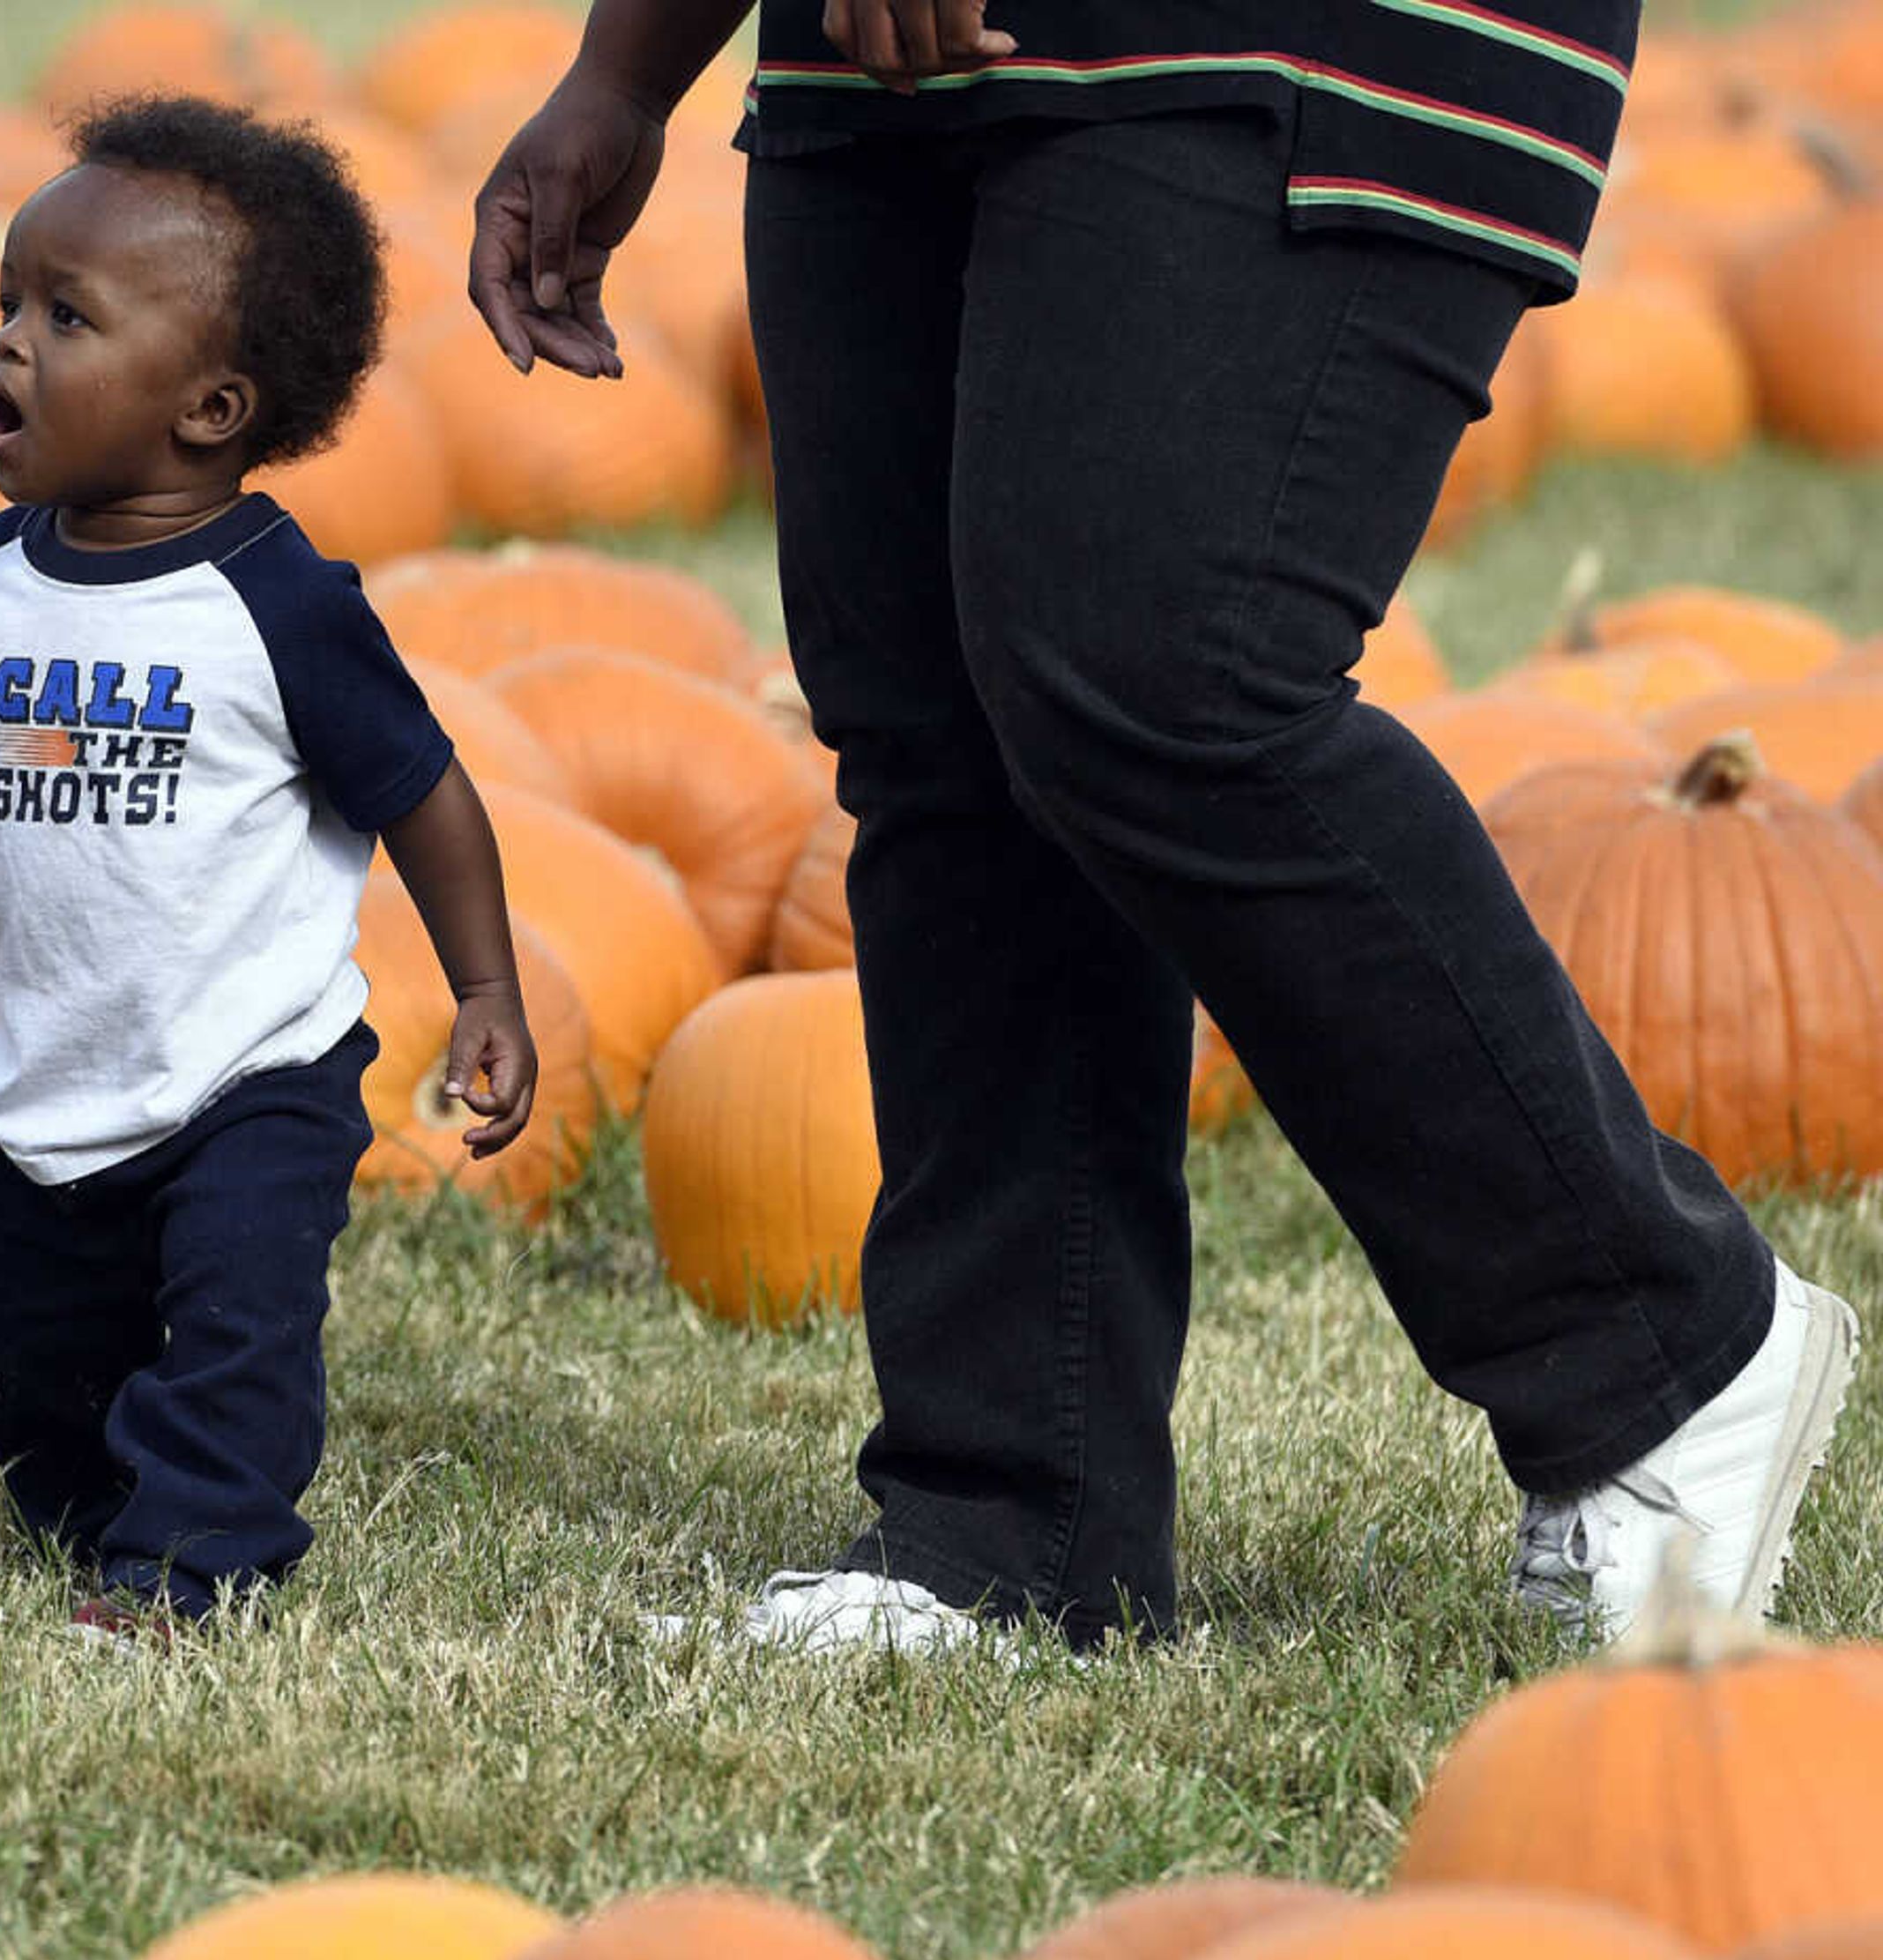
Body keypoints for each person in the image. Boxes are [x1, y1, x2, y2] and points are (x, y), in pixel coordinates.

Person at [473, 0, 1859, 1653]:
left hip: (1275, 36)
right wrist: (626, 70)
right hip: (881, 64)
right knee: (939, 737)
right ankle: (1007, 1524)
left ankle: (1662, 1342)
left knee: (1161, 673)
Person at [0, 95, 540, 1636]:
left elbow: (428, 795)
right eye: (8, 301)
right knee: (5, 1335)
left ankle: (194, 1564)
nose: (6, 346)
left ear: (207, 408)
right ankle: (96, 1508)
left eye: (66, 318)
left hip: (249, 1063)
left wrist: (486, 988)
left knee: (233, 1328)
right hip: (50, 1061)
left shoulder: (276, 607)